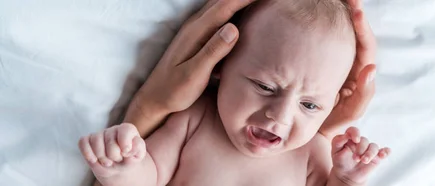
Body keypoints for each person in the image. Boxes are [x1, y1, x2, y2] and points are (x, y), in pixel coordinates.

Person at [80, 0, 387, 185]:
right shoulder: (194, 122)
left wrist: (346, 179)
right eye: (265, 87)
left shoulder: (311, 153)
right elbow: (149, 177)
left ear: (332, 105)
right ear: (220, 67)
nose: (279, 115)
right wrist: (124, 168)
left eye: (309, 105)